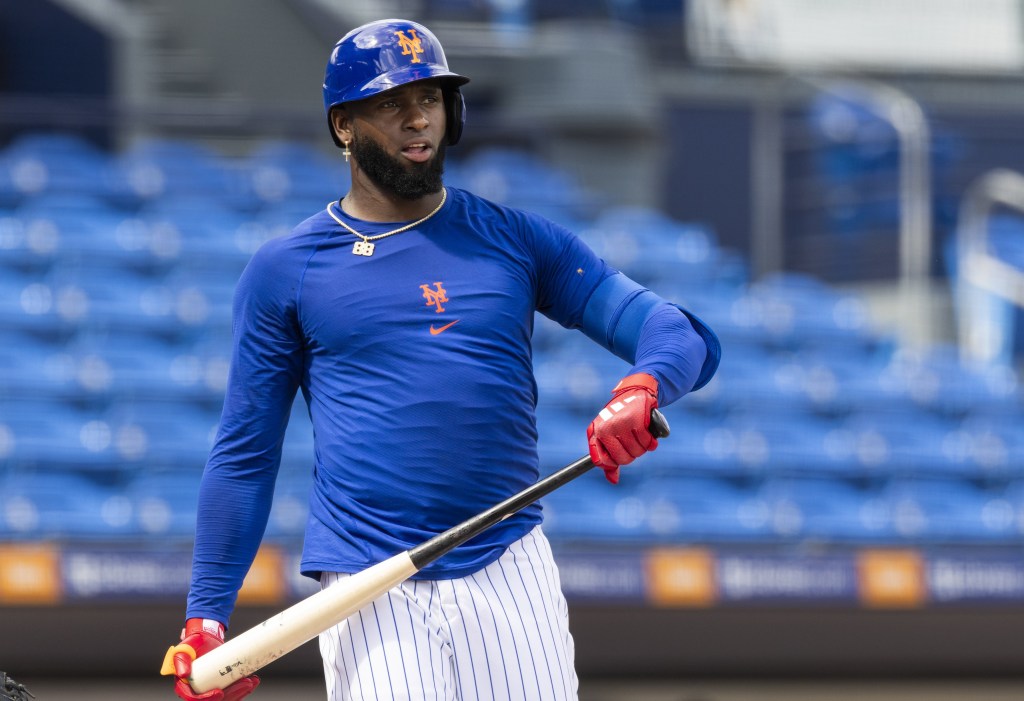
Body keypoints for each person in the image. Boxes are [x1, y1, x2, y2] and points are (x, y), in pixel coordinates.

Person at [162, 18, 720, 701]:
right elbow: (246, 453)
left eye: (429, 98)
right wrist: (207, 616)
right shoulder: (286, 269)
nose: (417, 118)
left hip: (508, 562)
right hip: (368, 581)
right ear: (343, 125)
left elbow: (678, 331)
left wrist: (644, 385)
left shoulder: (512, 237)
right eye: (391, 103)